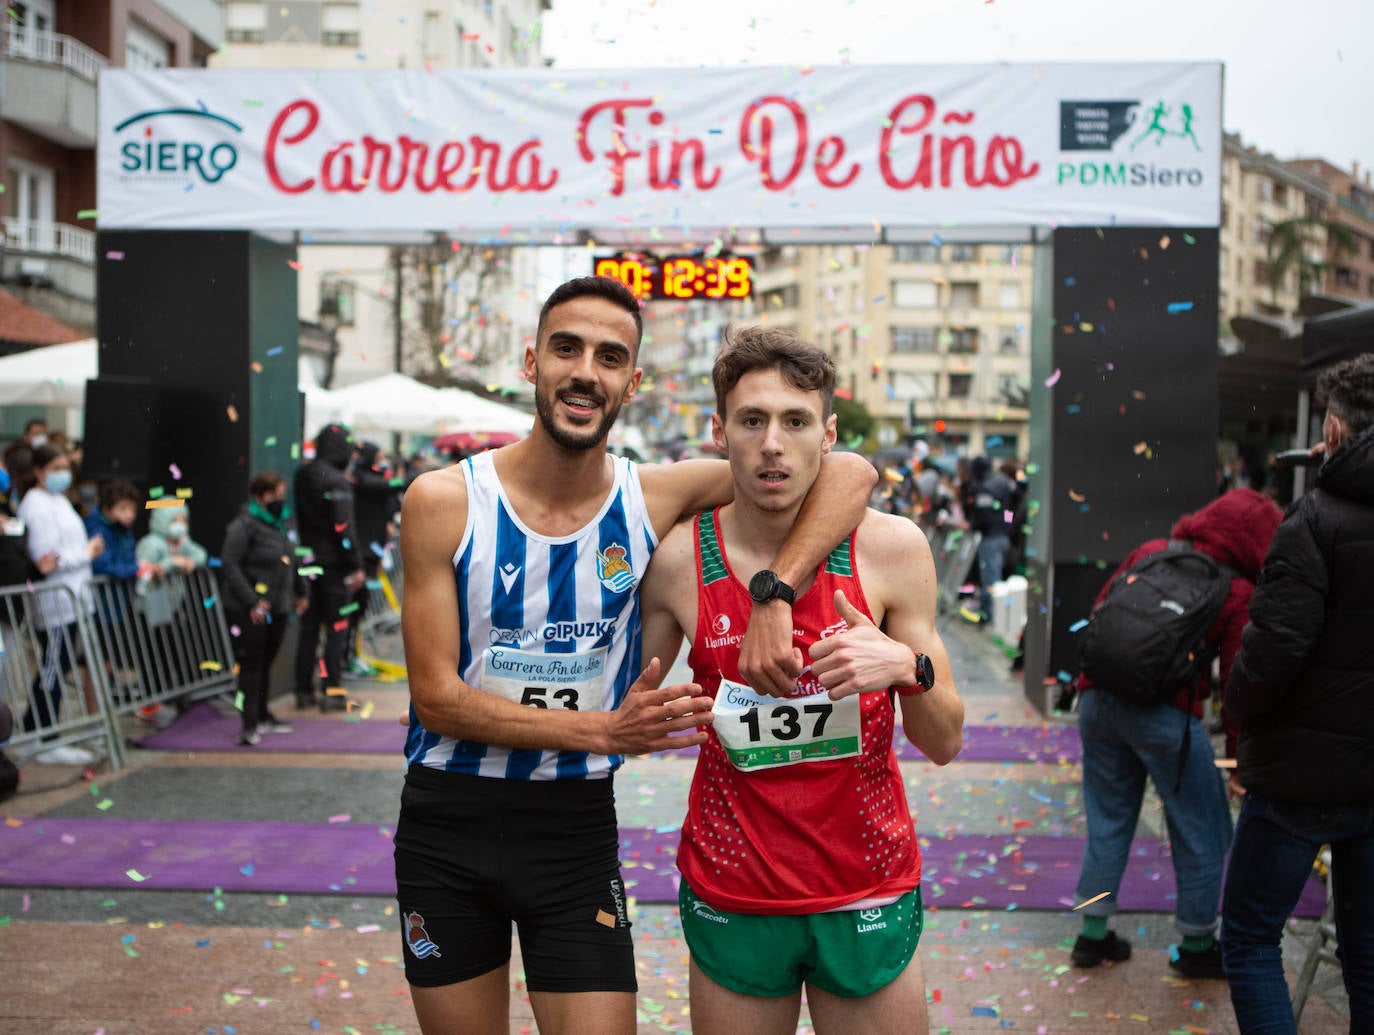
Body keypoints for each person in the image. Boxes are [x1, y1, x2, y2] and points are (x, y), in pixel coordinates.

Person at [394, 277, 876, 1035]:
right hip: (447, 820)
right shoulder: (442, 500)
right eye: (567, 348)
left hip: (572, 830)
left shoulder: (651, 497)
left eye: (610, 356)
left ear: (633, 382)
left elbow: (846, 468)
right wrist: (602, 731)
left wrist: (774, 592)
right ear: (532, 362)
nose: (586, 370)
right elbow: (437, 699)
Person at [636, 326, 963, 1034]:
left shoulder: (889, 547)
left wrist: (908, 668)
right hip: (735, 886)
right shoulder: (674, 562)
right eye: (752, 420)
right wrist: (645, 719)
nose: (773, 444)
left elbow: (945, 740)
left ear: (829, 433)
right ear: (718, 432)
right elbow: (633, 722)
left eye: (795, 420)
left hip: (865, 883)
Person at [1068, 488, 1281, 978]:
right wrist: (1239, 759)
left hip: (1097, 700)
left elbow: (1103, 611)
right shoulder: (1237, 591)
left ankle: (1092, 936)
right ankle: (1196, 944)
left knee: (1107, 822)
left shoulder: (1151, 552)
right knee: (1201, 827)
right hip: (1166, 716)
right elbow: (1236, 683)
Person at [1221, 353, 1374, 1033]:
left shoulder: (1316, 518)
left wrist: (1241, 727)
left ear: (1334, 431)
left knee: (1251, 937)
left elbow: (1269, 653)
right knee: (1368, 954)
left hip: (1301, 779)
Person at [17, 444, 104, 766]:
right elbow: (47, 558)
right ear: (38, 471)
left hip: (74, 598)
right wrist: (86, 554)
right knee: (53, 668)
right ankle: (45, 736)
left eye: (64, 467)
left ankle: (35, 728)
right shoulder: (36, 506)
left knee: (58, 665)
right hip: (55, 602)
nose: (62, 474)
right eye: (55, 467)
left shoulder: (59, 501)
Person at [220, 471, 306, 746]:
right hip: (249, 609)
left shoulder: (281, 524)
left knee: (266, 661)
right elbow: (230, 564)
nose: (280, 500)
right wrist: (251, 601)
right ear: (261, 495)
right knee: (251, 664)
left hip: (277, 605)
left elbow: (292, 559)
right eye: (275, 495)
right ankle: (248, 723)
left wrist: (299, 591)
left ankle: (263, 714)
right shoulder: (243, 525)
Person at [294, 423, 365, 711]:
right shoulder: (337, 480)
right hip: (334, 564)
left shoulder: (303, 475)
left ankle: (303, 690)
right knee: (337, 628)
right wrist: (356, 565)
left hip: (308, 560)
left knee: (309, 628)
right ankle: (332, 690)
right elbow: (343, 528)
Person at [342, 441, 401, 679]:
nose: (381, 464)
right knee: (352, 609)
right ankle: (345, 658)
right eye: (378, 459)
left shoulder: (368, 481)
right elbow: (391, 486)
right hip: (361, 554)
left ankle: (351, 654)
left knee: (359, 609)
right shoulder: (365, 481)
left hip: (371, 552)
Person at [966, 454, 1017, 624]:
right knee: (996, 579)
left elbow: (984, 517)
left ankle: (991, 617)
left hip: (991, 538)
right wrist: (1007, 525)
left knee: (990, 580)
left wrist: (973, 526)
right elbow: (1010, 508)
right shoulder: (1003, 482)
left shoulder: (986, 487)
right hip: (1003, 536)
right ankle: (996, 616)